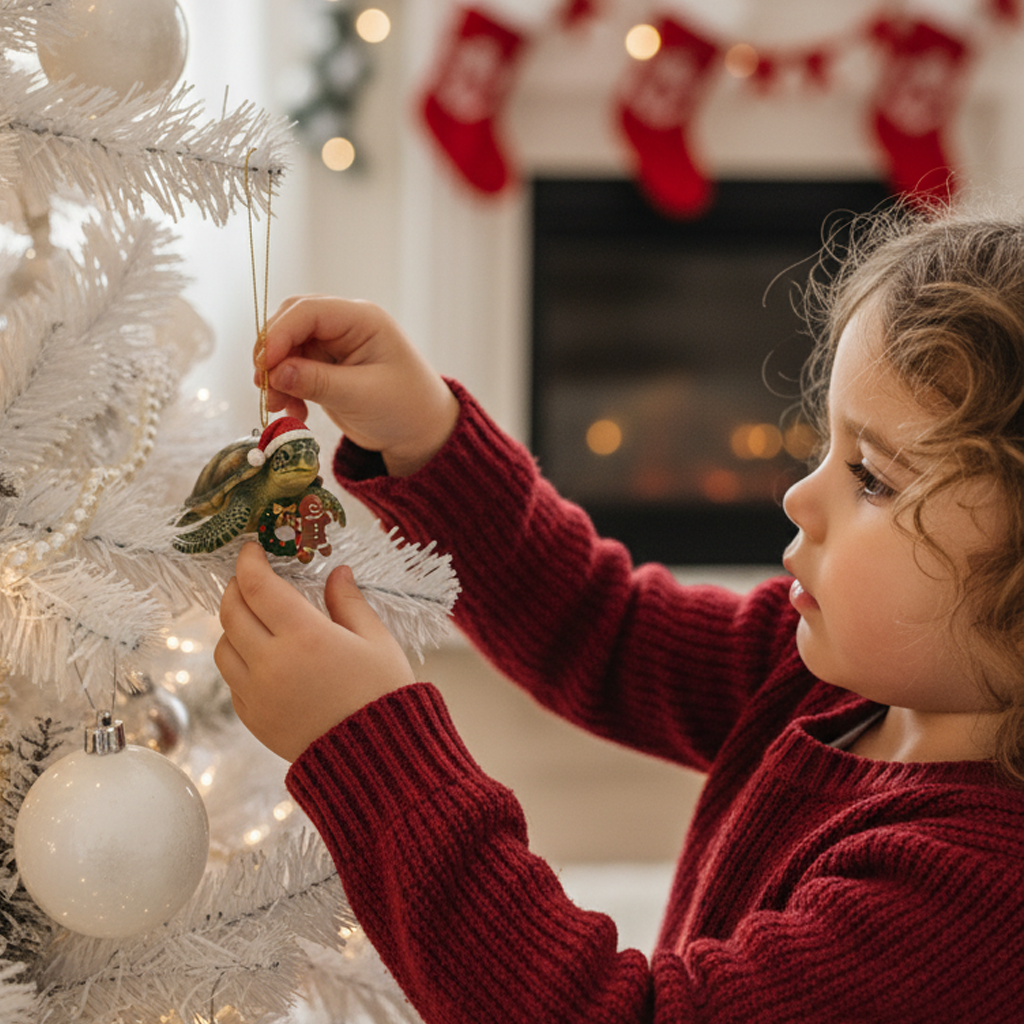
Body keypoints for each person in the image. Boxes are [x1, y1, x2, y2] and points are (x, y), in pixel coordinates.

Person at [215, 206, 1024, 1023]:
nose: (798, 495)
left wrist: (377, 755)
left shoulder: (977, 895)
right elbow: (601, 626)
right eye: (828, 450)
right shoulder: (826, 676)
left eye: (874, 478)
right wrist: (429, 438)